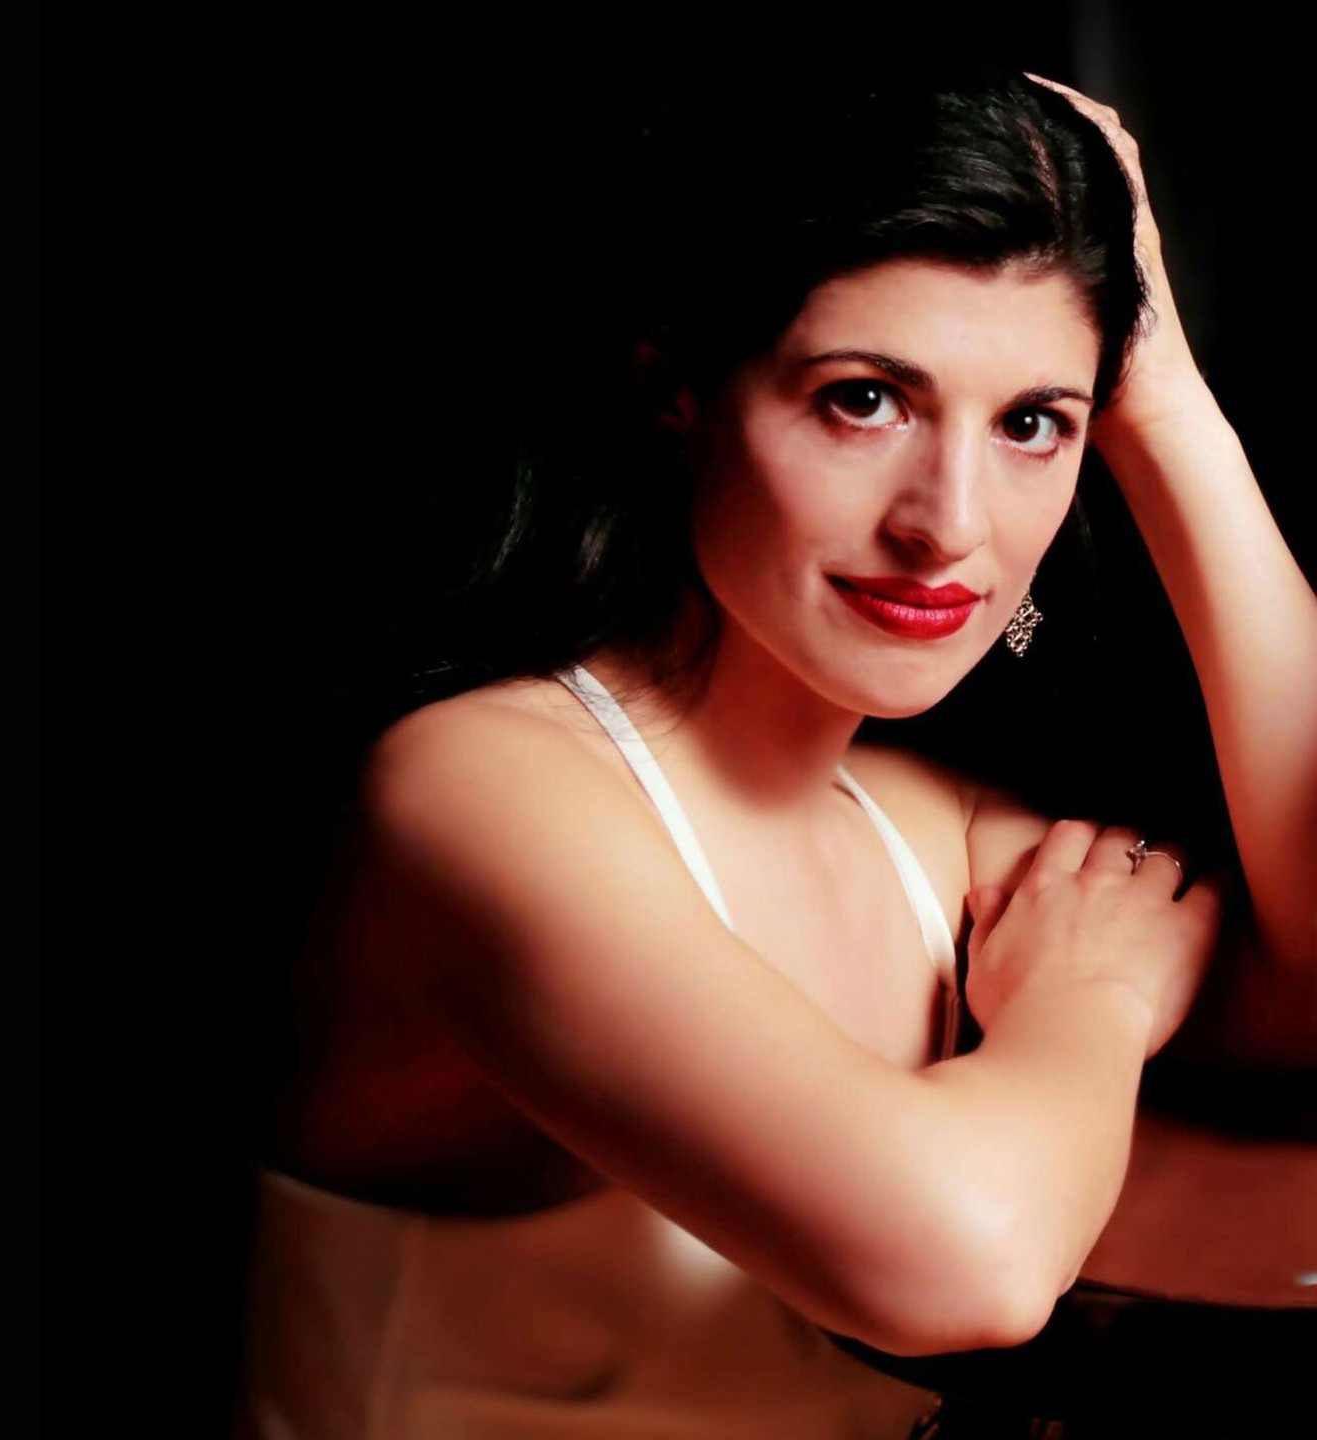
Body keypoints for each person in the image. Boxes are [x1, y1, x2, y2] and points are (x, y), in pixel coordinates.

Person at [231, 66, 1316, 1439]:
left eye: (1034, 422)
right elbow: (962, 1268)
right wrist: (1085, 1002)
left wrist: (1168, 409)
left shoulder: (931, 825)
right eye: (865, 401)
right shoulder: (475, 791)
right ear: (677, 388)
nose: (949, 524)